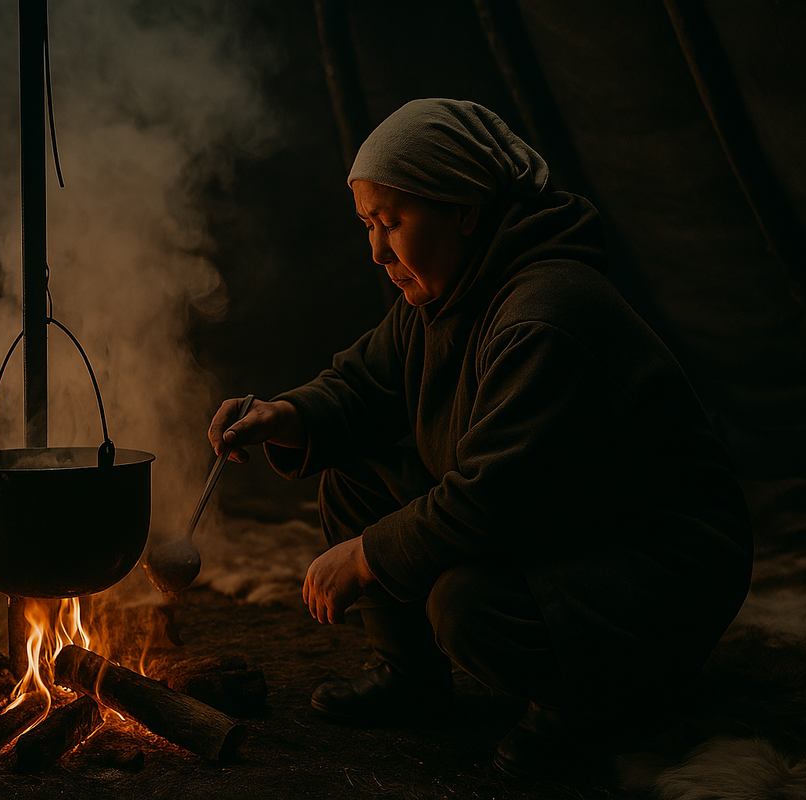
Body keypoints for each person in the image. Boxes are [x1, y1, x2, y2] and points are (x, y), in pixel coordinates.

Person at [207, 98, 753, 779]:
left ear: (464, 209)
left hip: (650, 563)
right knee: (354, 476)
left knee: (466, 604)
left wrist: (367, 556)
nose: (376, 251)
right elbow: (364, 385)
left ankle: (592, 708)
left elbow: (495, 499)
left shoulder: (545, 314)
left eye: (391, 222)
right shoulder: (445, 292)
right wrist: (284, 414)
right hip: (557, 525)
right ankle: (411, 675)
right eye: (367, 225)